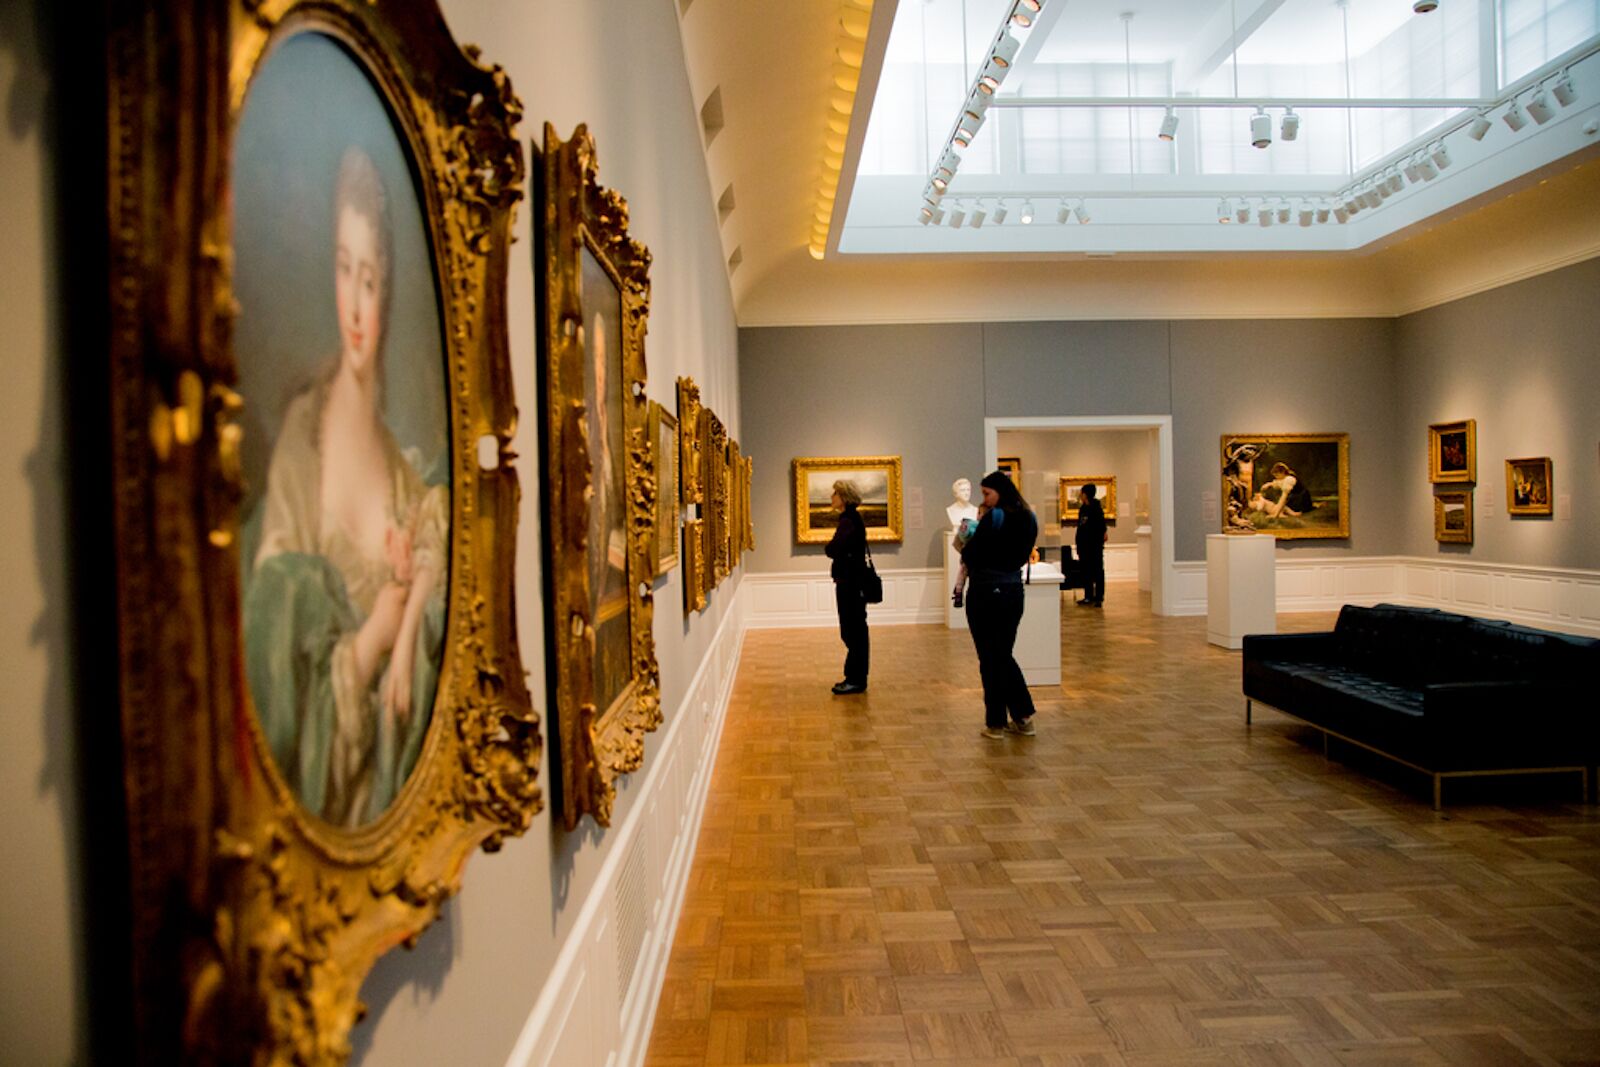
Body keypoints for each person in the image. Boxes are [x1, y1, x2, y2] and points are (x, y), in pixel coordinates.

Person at [244, 146, 447, 828]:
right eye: (343, 270)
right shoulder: (303, 443)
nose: (356, 306)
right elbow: (276, 688)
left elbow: (440, 549)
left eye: (369, 278)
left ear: (386, 290)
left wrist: (409, 613)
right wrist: (371, 643)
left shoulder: (399, 462)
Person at [960, 470, 1039, 739]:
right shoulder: (1030, 516)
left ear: (999, 491)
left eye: (986, 493)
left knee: (991, 657)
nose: (985, 499)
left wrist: (966, 541)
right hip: (1014, 590)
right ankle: (1020, 717)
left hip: (985, 591)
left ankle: (999, 722)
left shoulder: (995, 517)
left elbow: (970, 552)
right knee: (1001, 654)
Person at [824, 478, 869, 695]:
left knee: (853, 632)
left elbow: (832, 549)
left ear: (843, 497)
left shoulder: (848, 521)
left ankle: (855, 679)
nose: (831, 497)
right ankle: (855, 677)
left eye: (834, 494)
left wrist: (832, 548)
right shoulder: (852, 518)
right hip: (853, 582)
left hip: (850, 584)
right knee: (855, 631)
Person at [1074, 484, 1108, 607]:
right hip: (1084, 547)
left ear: (1085, 494)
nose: (1080, 496)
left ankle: (1099, 597)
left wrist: (1098, 542)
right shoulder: (1083, 509)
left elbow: (1101, 528)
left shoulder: (1096, 509)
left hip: (1094, 547)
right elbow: (1080, 527)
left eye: (1082, 493)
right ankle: (1088, 596)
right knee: (1086, 572)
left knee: (1098, 572)